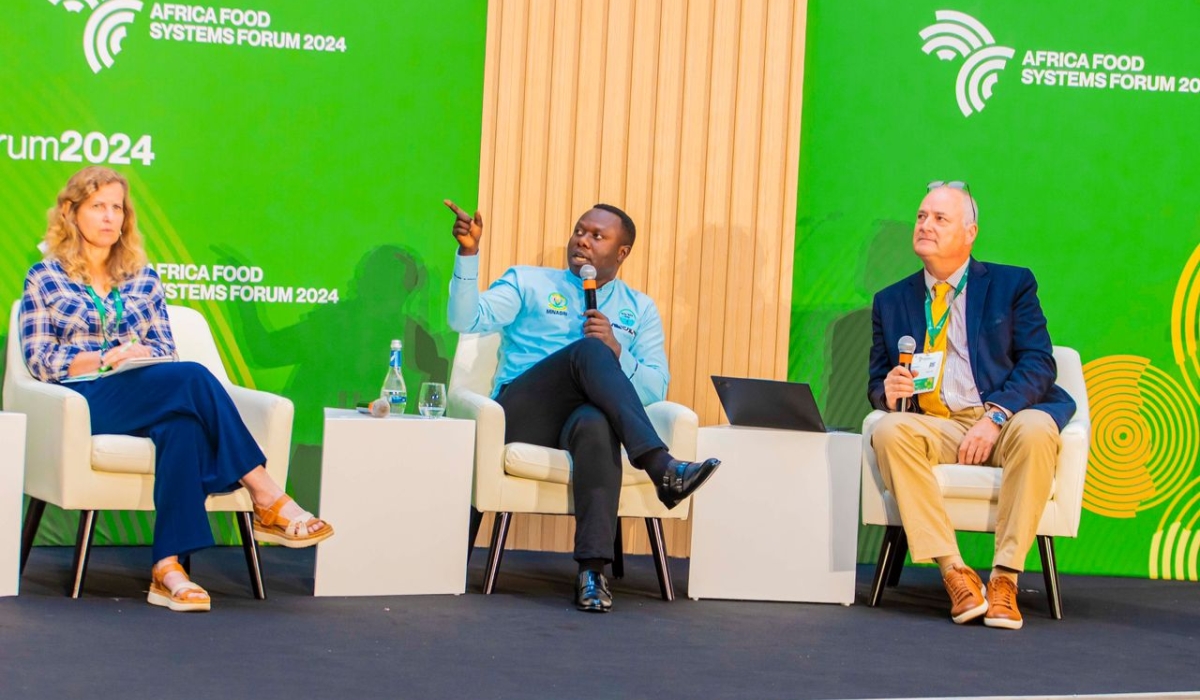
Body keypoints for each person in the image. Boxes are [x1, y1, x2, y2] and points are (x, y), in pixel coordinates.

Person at [19, 166, 334, 613]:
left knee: (182, 424)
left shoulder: (141, 277)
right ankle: (266, 494)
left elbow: (164, 346)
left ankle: (167, 571)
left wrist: (136, 355)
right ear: (71, 212)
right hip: (86, 399)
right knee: (193, 377)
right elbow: (40, 359)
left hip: (144, 387)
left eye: (117, 208)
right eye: (98, 206)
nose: (110, 217)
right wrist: (105, 358)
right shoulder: (45, 276)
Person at [444, 199, 720, 613]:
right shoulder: (528, 282)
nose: (582, 241)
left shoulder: (639, 309)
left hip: (579, 423)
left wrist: (618, 350)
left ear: (621, 252)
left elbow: (655, 388)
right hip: (522, 414)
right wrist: (468, 254)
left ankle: (592, 572)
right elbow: (465, 320)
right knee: (588, 354)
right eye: (579, 231)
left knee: (596, 421)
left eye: (597, 236)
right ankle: (662, 467)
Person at [867, 181, 1075, 630]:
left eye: (940, 219)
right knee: (886, 430)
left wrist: (996, 417)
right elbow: (876, 383)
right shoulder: (891, 300)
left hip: (1006, 418)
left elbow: (1039, 362)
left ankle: (1005, 577)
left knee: (1039, 429)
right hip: (938, 422)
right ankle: (954, 571)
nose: (926, 225)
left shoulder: (1010, 284)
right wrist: (889, 389)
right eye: (922, 217)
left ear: (970, 232)